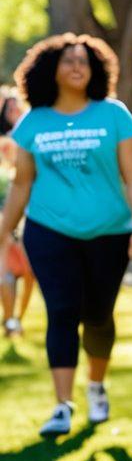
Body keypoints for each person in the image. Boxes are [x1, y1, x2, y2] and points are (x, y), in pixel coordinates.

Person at [0, 34, 132, 437]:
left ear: (96, 68)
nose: (77, 66)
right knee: (62, 311)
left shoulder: (113, 114)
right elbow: (21, 183)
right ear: (51, 70)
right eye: (68, 61)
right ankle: (62, 406)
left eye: (84, 60)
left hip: (109, 233)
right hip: (49, 231)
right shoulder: (34, 122)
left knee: (98, 314)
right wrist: (3, 232)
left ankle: (96, 387)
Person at [0, 90, 36, 338]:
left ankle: (16, 319)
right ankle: (10, 320)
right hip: (4, 215)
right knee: (6, 271)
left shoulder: (29, 137)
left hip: (29, 215)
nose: (14, 111)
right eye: (8, 108)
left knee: (30, 272)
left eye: (17, 106)